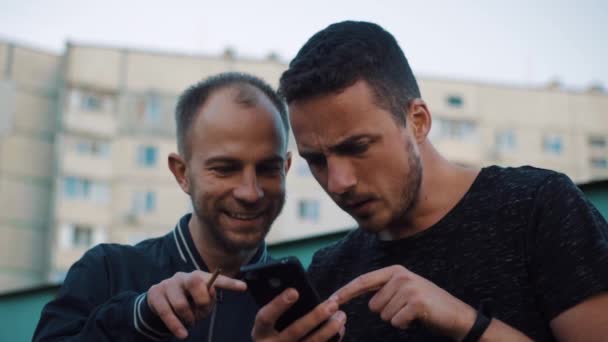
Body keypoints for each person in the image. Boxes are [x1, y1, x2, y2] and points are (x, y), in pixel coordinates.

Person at [252, 21, 608, 341]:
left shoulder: (539, 210)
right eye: (316, 160)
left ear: (417, 121)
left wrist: (466, 323)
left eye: (358, 147)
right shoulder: (330, 274)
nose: (338, 182)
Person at [34, 72, 294, 341]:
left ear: (286, 169)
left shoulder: (298, 303)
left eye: (268, 169)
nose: (250, 192)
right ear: (182, 173)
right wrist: (137, 317)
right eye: (225, 169)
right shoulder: (107, 271)